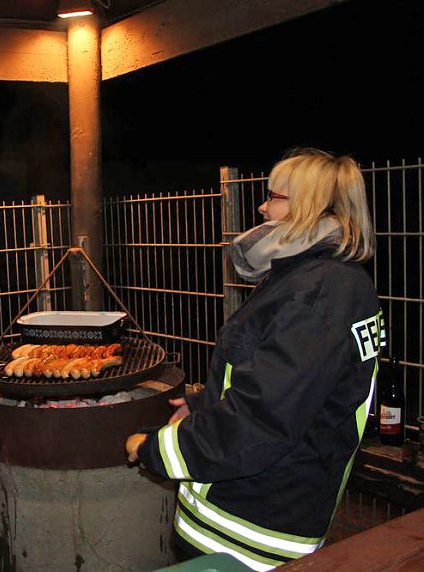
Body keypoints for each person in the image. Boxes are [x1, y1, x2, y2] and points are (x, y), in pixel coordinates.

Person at [126, 148, 384, 571]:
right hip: (252, 507)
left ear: (309, 206)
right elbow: (277, 381)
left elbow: (263, 419)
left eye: (274, 197)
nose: (263, 207)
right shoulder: (317, 279)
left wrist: (157, 447)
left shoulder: (318, 294)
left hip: (251, 528)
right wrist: (203, 403)